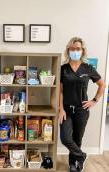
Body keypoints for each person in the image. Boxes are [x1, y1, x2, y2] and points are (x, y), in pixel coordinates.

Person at [59, 37, 105, 172]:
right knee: (66, 138)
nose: (75, 51)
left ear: (82, 50)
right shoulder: (63, 69)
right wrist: (61, 109)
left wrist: (94, 101)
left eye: (78, 49)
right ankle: (82, 156)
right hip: (66, 109)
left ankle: (73, 165)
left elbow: (102, 84)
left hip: (82, 110)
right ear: (68, 50)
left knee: (77, 139)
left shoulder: (88, 68)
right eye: (72, 49)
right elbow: (60, 91)